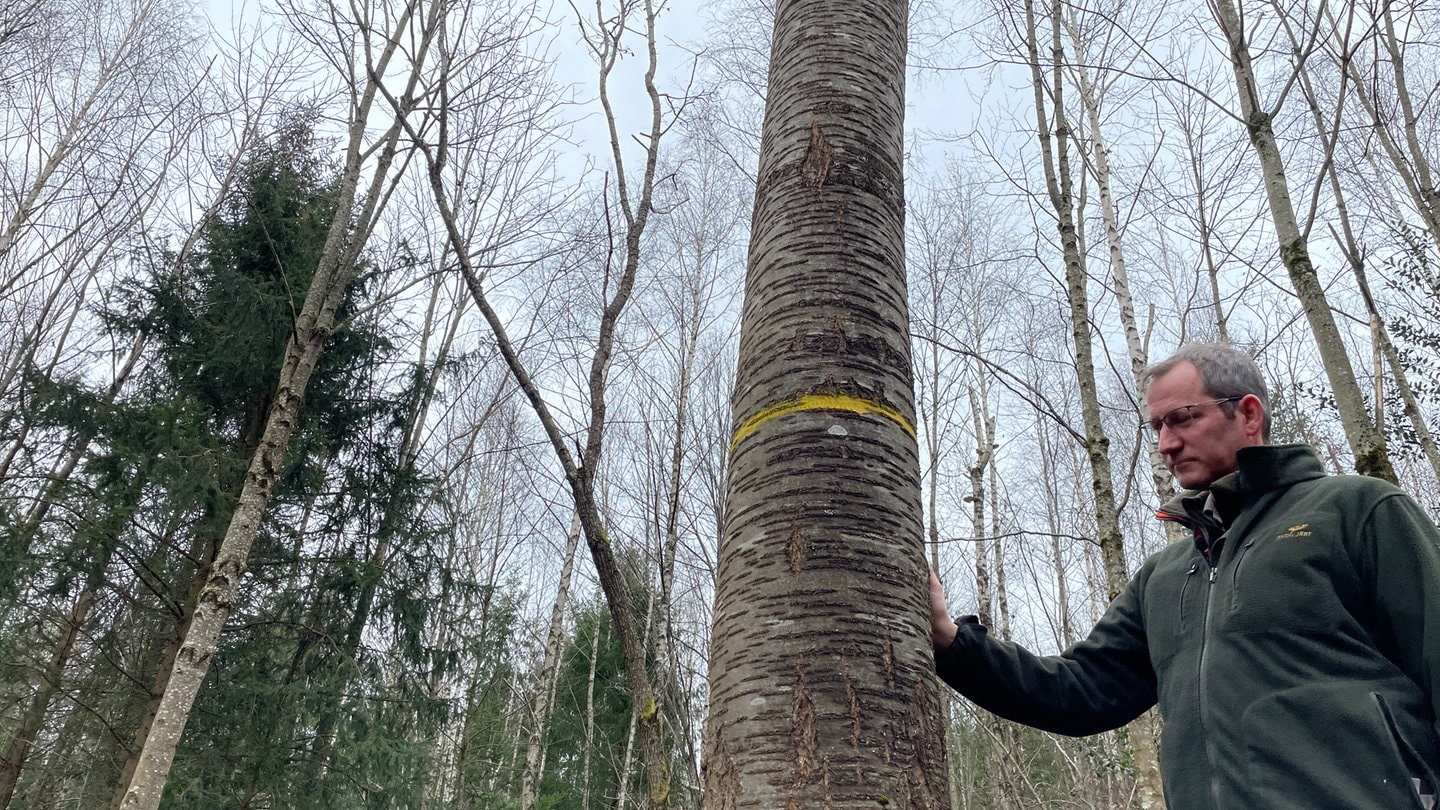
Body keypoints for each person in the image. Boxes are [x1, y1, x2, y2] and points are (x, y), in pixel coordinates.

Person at [930, 343, 1440, 808]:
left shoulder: (1357, 510)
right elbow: (1080, 691)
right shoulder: (1167, 574)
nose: (1166, 444)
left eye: (1182, 419)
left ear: (1247, 413)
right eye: (1156, 428)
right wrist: (952, 642)